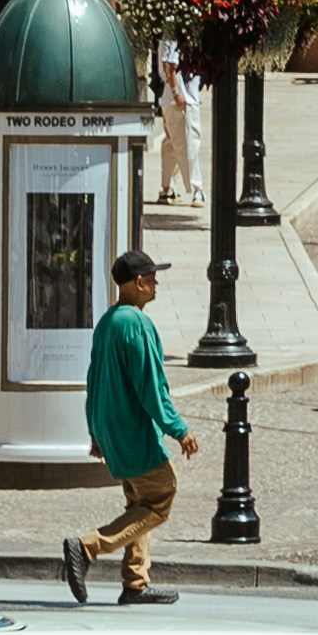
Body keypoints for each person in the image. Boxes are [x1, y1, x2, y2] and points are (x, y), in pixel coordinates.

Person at [63, 248, 197, 604]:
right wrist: (178, 428)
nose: (156, 285)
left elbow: (93, 380)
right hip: (134, 433)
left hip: (112, 431)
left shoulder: (108, 322)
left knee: (138, 503)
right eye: (152, 279)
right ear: (139, 282)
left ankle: (135, 582)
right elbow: (151, 384)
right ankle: (87, 547)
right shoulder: (136, 324)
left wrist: (96, 432)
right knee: (160, 496)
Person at [151, 36, 203, 210]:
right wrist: (176, 93)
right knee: (189, 143)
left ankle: (167, 187)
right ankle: (197, 189)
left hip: (170, 99)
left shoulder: (168, 35)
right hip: (182, 99)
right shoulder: (176, 34)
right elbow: (169, 65)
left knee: (171, 145)